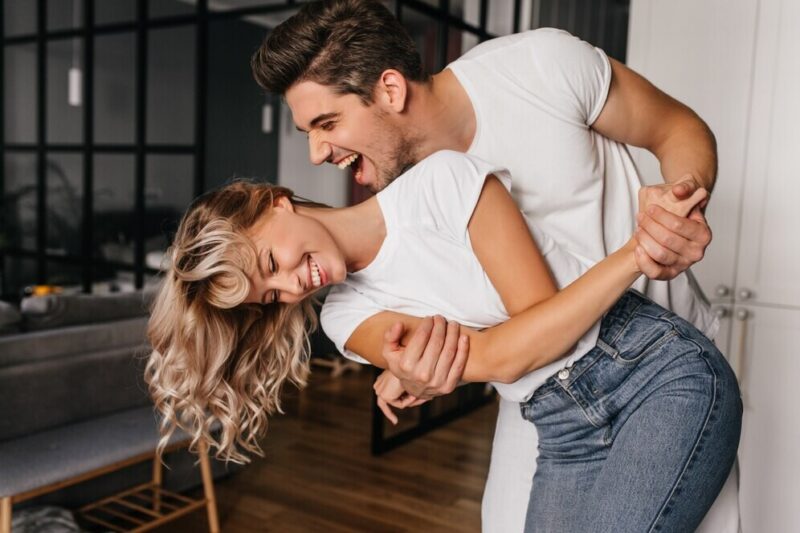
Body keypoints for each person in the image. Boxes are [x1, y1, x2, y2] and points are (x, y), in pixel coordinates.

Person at [250, 1, 741, 531]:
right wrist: (435, 366)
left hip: (664, 354)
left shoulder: (539, 65)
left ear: (390, 90)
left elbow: (677, 128)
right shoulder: (406, 204)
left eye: (326, 124)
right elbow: (482, 332)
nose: (317, 154)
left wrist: (679, 202)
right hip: (547, 391)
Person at [145, 149, 740, 532]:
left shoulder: (439, 183)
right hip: (561, 425)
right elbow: (505, 357)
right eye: (270, 295)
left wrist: (635, 256)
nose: (292, 284)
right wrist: (441, 368)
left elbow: (534, 323)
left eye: (270, 261)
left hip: (657, 373)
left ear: (274, 203)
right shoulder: (344, 319)